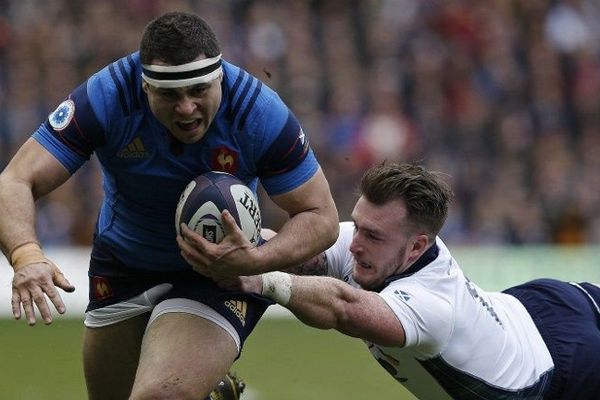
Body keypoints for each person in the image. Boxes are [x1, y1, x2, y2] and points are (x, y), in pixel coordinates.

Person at [0, 11, 338, 400]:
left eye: (198, 90)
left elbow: (321, 216)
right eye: (170, 95)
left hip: (218, 273)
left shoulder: (257, 111)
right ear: (144, 87)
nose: (187, 108)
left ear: (219, 78)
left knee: (162, 396)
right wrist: (26, 255)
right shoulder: (108, 96)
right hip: (124, 265)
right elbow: (15, 179)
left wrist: (256, 260)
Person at [234, 163, 600, 400]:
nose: (355, 243)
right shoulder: (376, 244)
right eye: (357, 225)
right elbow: (297, 253)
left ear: (417, 246)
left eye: (373, 236)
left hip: (564, 375)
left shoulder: (430, 305)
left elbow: (343, 307)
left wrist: (263, 278)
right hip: (532, 306)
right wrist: (243, 248)